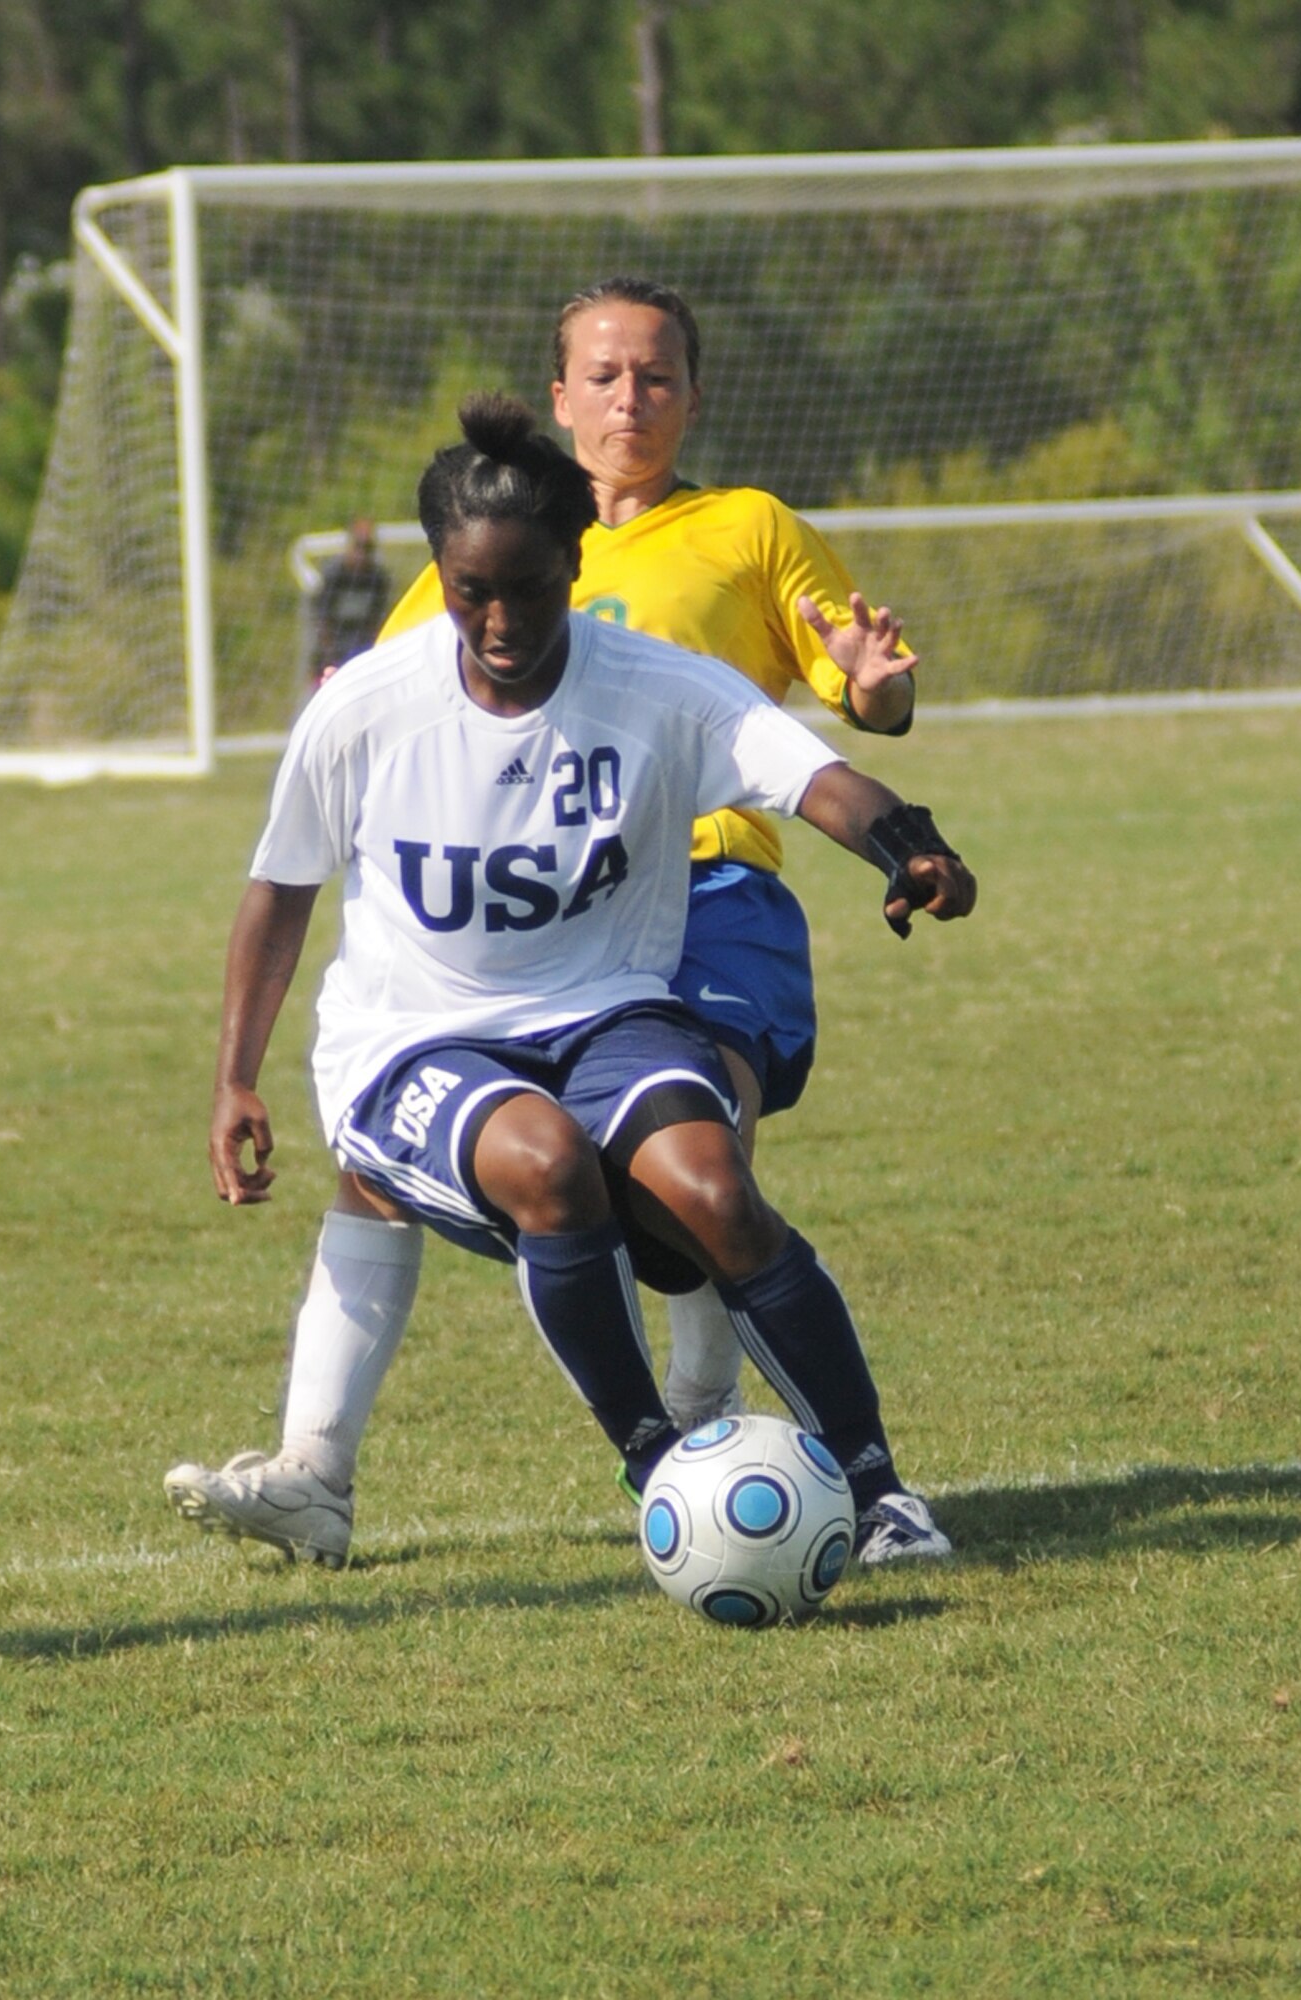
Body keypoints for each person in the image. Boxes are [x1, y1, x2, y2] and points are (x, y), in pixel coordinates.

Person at [166, 278, 950, 1570]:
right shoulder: (384, 684)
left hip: (671, 929)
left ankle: (874, 1489)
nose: (498, 622)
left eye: (526, 593)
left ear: (571, 571)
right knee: (540, 1165)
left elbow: (806, 759)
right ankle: (670, 1474)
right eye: (472, 593)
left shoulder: (720, 565)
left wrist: (905, 836)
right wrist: (235, 1077)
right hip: (423, 1026)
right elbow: (285, 879)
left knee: (704, 1177)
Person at [309, 516, 392, 683]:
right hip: (331, 656)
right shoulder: (333, 576)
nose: (362, 554)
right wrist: (329, 656)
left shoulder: (378, 579)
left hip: (363, 655)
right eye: (358, 547)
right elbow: (321, 620)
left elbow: (378, 621)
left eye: (367, 548)